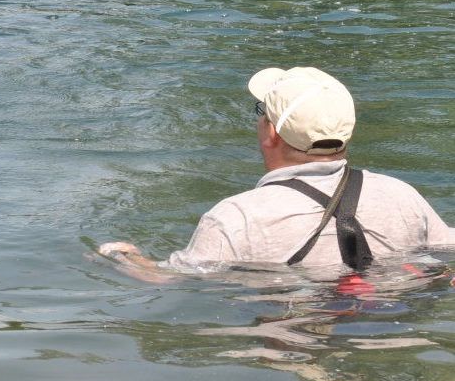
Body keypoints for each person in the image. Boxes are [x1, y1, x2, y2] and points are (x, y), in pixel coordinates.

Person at [96, 66, 455, 282]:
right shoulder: (402, 195)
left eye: (261, 111)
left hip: (286, 342)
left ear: (270, 133)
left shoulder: (236, 218)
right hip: (390, 332)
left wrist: (119, 255)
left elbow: (167, 278)